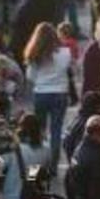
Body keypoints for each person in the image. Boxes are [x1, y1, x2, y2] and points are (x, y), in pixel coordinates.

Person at [23, 22, 73, 172]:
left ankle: (38, 166)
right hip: (60, 93)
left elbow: (30, 77)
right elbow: (67, 69)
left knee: (40, 130)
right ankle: (53, 166)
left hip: (41, 93)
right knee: (56, 130)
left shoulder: (35, 54)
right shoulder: (65, 53)